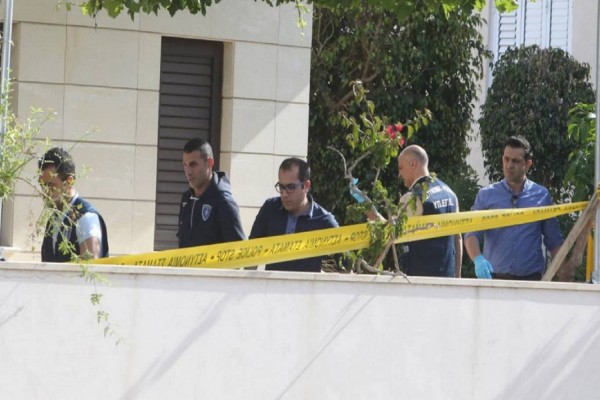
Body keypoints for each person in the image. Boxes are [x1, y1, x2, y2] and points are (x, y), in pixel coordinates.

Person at [464, 135, 564, 280]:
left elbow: (553, 240)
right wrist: (477, 259)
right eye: (506, 159)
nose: (509, 165)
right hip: (495, 279)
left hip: (530, 280)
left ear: (527, 164)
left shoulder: (541, 196)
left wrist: (565, 274)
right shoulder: (486, 195)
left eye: (515, 161)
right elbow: (471, 233)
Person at [250, 157, 339, 272]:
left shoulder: (324, 220)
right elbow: (251, 253)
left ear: (306, 186)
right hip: (271, 283)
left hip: (306, 284)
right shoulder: (270, 208)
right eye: (281, 187)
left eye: (291, 187)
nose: (284, 194)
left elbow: (345, 262)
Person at [396, 145, 462, 277]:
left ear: (413, 164)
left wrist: (369, 210)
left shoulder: (412, 198)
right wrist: (457, 277)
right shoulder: (449, 193)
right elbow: (458, 237)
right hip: (448, 277)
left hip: (421, 280)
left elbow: (391, 234)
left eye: (401, 168)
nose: (400, 174)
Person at [38, 147, 109, 262]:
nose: (45, 192)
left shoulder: (86, 217)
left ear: (69, 181)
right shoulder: (53, 220)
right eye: (42, 186)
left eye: (50, 185)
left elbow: (89, 267)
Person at [178, 138, 245, 247]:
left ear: (209, 162)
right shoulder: (186, 199)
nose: (188, 172)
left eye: (193, 164)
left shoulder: (224, 202)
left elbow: (239, 250)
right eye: (185, 165)